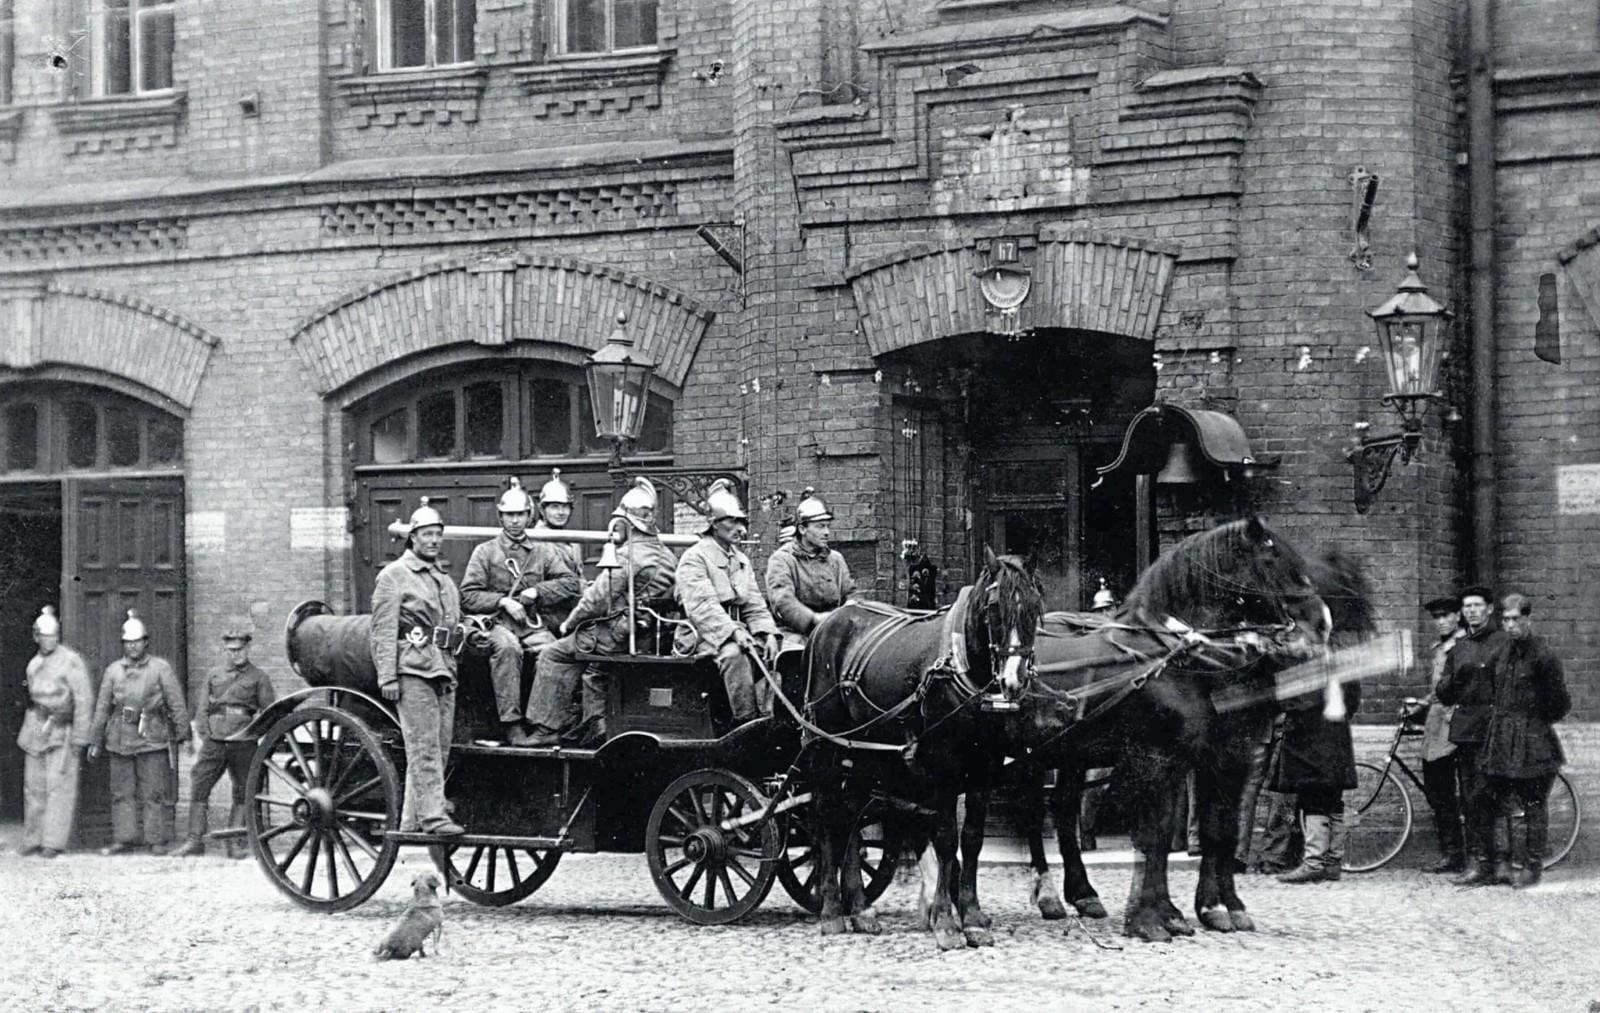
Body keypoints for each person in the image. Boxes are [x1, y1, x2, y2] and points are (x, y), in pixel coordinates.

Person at [523, 478, 678, 747]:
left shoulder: (628, 555)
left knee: (553, 654)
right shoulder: (666, 555)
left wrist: (569, 624)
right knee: (589, 664)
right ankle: (586, 721)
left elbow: (596, 600)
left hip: (615, 635)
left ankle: (547, 728)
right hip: (647, 634)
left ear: (628, 523)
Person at [459, 477, 581, 746]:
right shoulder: (485, 552)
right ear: (501, 518)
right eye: (509, 515)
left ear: (529, 516)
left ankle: (545, 722)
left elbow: (570, 582)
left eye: (520, 515)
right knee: (508, 649)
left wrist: (537, 592)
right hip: (495, 624)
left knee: (555, 652)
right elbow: (468, 595)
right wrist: (503, 601)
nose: (515, 521)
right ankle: (512, 724)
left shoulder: (541, 551)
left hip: (529, 624)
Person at [369, 498, 465, 836]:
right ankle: (434, 817)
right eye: (426, 534)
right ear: (412, 538)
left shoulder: (444, 580)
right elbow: (381, 630)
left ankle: (412, 819)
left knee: (437, 747)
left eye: (438, 534)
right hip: (412, 669)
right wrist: (388, 675)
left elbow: (454, 623)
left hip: (444, 669)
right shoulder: (394, 576)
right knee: (423, 745)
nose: (433, 540)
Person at [1480, 593, 1570, 888]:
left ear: (1528, 619)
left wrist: (1533, 722)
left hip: (1533, 740)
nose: (1509, 625)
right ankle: (1503, 864)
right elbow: (1494, 688)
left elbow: (1559, 702)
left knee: (1534, 802)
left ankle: (1532, 867)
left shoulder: (1544, 655)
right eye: (1505, 620)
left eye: (1515, 619)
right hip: (1502, 737)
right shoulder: (1501, 652)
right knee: (1495, 799)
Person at [675, 479, 780, 725]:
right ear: (713, 524)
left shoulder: (740, 559)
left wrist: (769, 633)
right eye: (731, 521)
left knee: (778, 653)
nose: (740, 528)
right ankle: (745, 724)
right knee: (735, 655)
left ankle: (771, 717)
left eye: (741, 521)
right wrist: (732, 631)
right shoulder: (694, 558)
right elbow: (703, 607)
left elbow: (754, 604)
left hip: (737, 630)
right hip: (701, 635)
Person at [169, 623, 278, 858]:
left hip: (244, 741)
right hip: (215, 741)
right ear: (225, 649)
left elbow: (269, 712)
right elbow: (202, 708)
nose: (235, 654)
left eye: (239, 649)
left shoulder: (259, 677)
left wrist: (254, 734)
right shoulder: (214, 674)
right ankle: (195, 840)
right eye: (231, 650)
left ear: (248, 648)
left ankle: (234, 843)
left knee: (244, 791)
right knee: (199, 785)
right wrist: (205, 733)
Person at [89, 610, 190, 854]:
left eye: (137, 641)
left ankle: (155, 840)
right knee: (121, 791)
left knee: (153, 791)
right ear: (123, 644)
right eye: (128, 642)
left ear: (146, 642)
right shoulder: (113, 670)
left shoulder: (160, 668)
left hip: (151, 736)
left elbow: (176, 702)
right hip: (120, 737)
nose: (133, 647)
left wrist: (183, 734)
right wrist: (95, 740)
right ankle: (124, 839)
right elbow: (103, 706)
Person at [1434, 584, 1508, 886]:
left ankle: (1504, 861)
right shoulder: (1459, 648)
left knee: (1499, 794)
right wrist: (1452, 680)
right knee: (1471, 796)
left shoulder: (1504, 643)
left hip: (1496, 728)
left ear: (1489, 609)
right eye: (1467, 607)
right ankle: (1479, 862)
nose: (1472, 611)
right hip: (1467, 731)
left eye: (1478, 605)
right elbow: (1444, 693)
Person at [16, 606, 93, 858]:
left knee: (59, 785)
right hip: (36, 725)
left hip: (62, 727)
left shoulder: (71, 660)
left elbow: (83, 699)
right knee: (34, 786)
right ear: (35, 636)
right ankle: (33, 837)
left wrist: (81, 736)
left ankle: (53, 841)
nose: (48, 640)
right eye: (43, 635)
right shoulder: (33, 663)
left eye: (53, 635)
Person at [1272, 675, 1361, 884]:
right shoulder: (1339, 659)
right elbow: (1353, 697)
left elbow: (1293, 700)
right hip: (1336, 736)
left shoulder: (1307, 662)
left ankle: (1314, 863)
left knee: (1313, 799)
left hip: (1311, 739)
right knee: (1333, 800)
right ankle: (1332, 862)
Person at [764, 488, 856, 645]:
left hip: (834, 630)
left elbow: (851, 593)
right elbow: (783, 602)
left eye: (828, 526)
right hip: (795, 633)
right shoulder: (782, 560)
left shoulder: (835, 559)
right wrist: (814, 620)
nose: (827, 532)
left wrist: (852, 607)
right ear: (802, 529)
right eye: (820, 526)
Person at [1419, 594, 1467, 873]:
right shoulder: (1439, 648)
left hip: (1456, 726)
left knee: (1454, 792)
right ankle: (1452, 853)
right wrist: (1422, 704)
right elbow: (1439, 689)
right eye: (1437, 617)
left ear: (1457, 616)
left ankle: (1460, 854)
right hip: (1436, 726)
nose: (1440, 621)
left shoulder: (1463, 646)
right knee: (1438, 792)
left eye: (1445, 615)